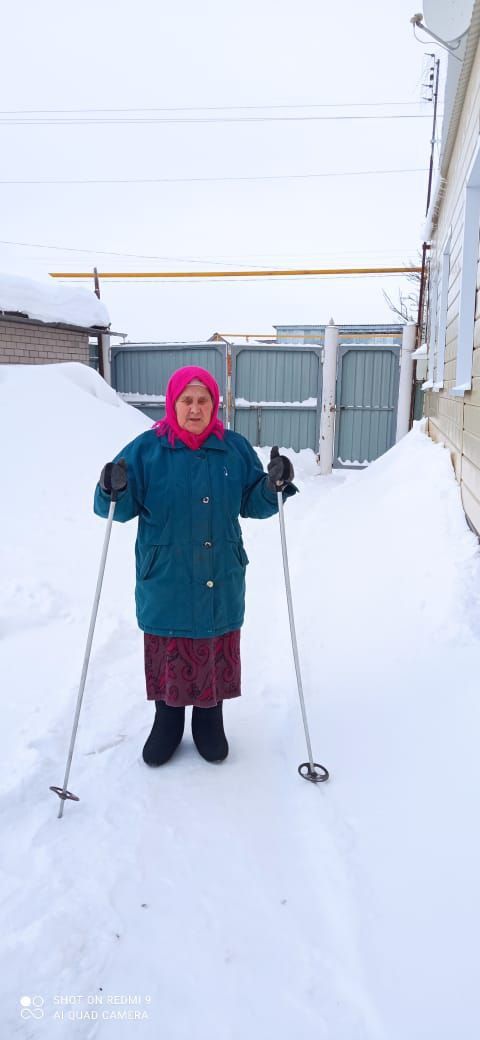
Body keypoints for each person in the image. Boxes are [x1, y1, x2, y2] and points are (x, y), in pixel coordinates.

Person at [94, 365, 297, 767]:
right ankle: (166, 721)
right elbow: (116, 509)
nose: (194, 408)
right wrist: (110, 488)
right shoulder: (145, 450)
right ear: (172, 403)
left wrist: (273, 486)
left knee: (213, 642)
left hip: (219, 572)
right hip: (165, 575)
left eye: (203, 400)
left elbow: (252, 503)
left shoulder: (233, 448)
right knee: (170, 646)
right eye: (186, 400)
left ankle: (209, 719)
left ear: (214, 404)